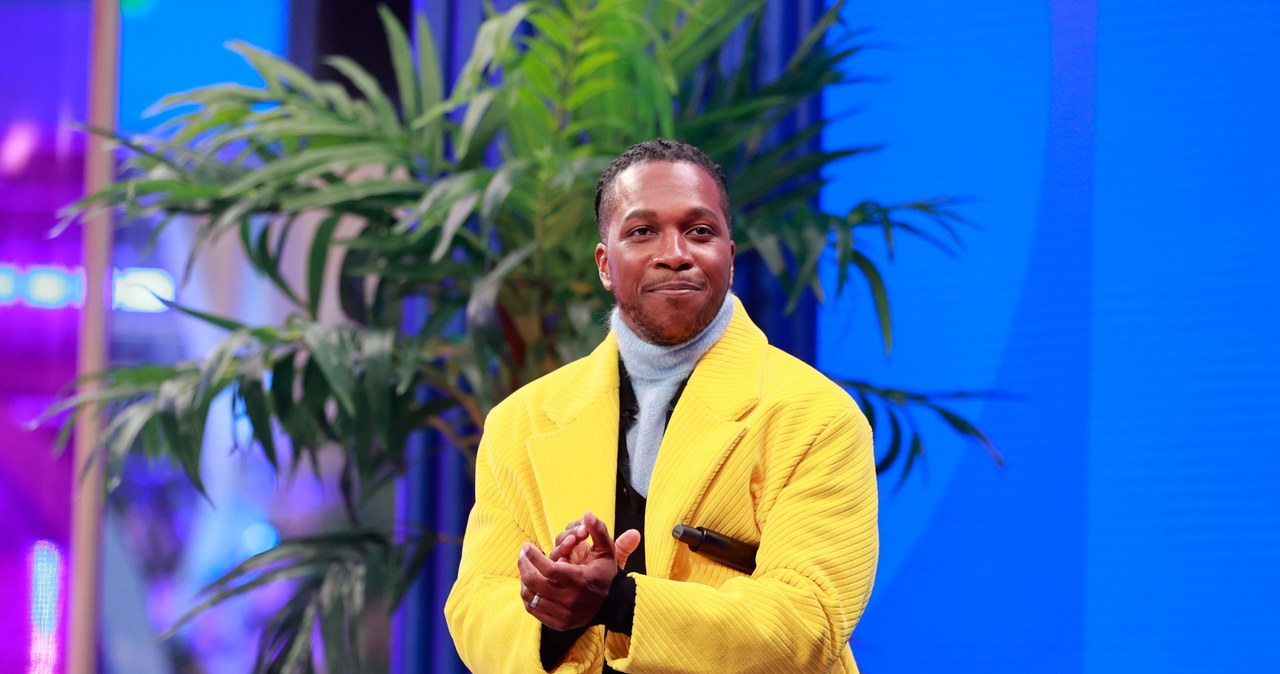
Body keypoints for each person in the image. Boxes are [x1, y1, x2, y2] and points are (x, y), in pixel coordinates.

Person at [444, 139, 878, 673]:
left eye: (700, 231)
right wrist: (555, 615)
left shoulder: (816, 416)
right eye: (642, 231)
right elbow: (475, 604)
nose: (675, 252)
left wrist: (617, 602)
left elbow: (809, 621)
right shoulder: (520, 421)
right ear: (605, 264)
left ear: (730, 258)